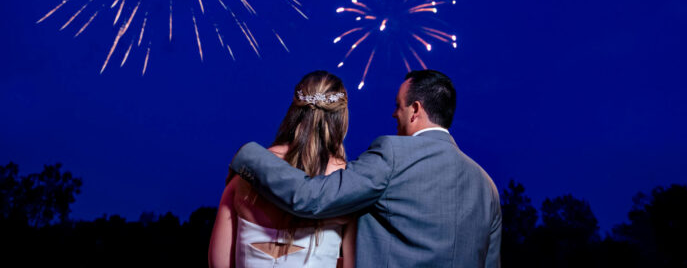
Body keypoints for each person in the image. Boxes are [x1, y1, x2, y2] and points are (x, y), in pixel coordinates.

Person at [230, 69, 501, 267]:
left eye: (398, 106)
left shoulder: (393, 155)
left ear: (415, 110)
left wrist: (248, 155)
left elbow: (310, 197)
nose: (394, 114)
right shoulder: (487, 187)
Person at [209, 70, 357, 268]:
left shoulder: (245, 175)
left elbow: (218, 263)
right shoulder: (347, 184)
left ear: (294, 110)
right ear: (341, 118)